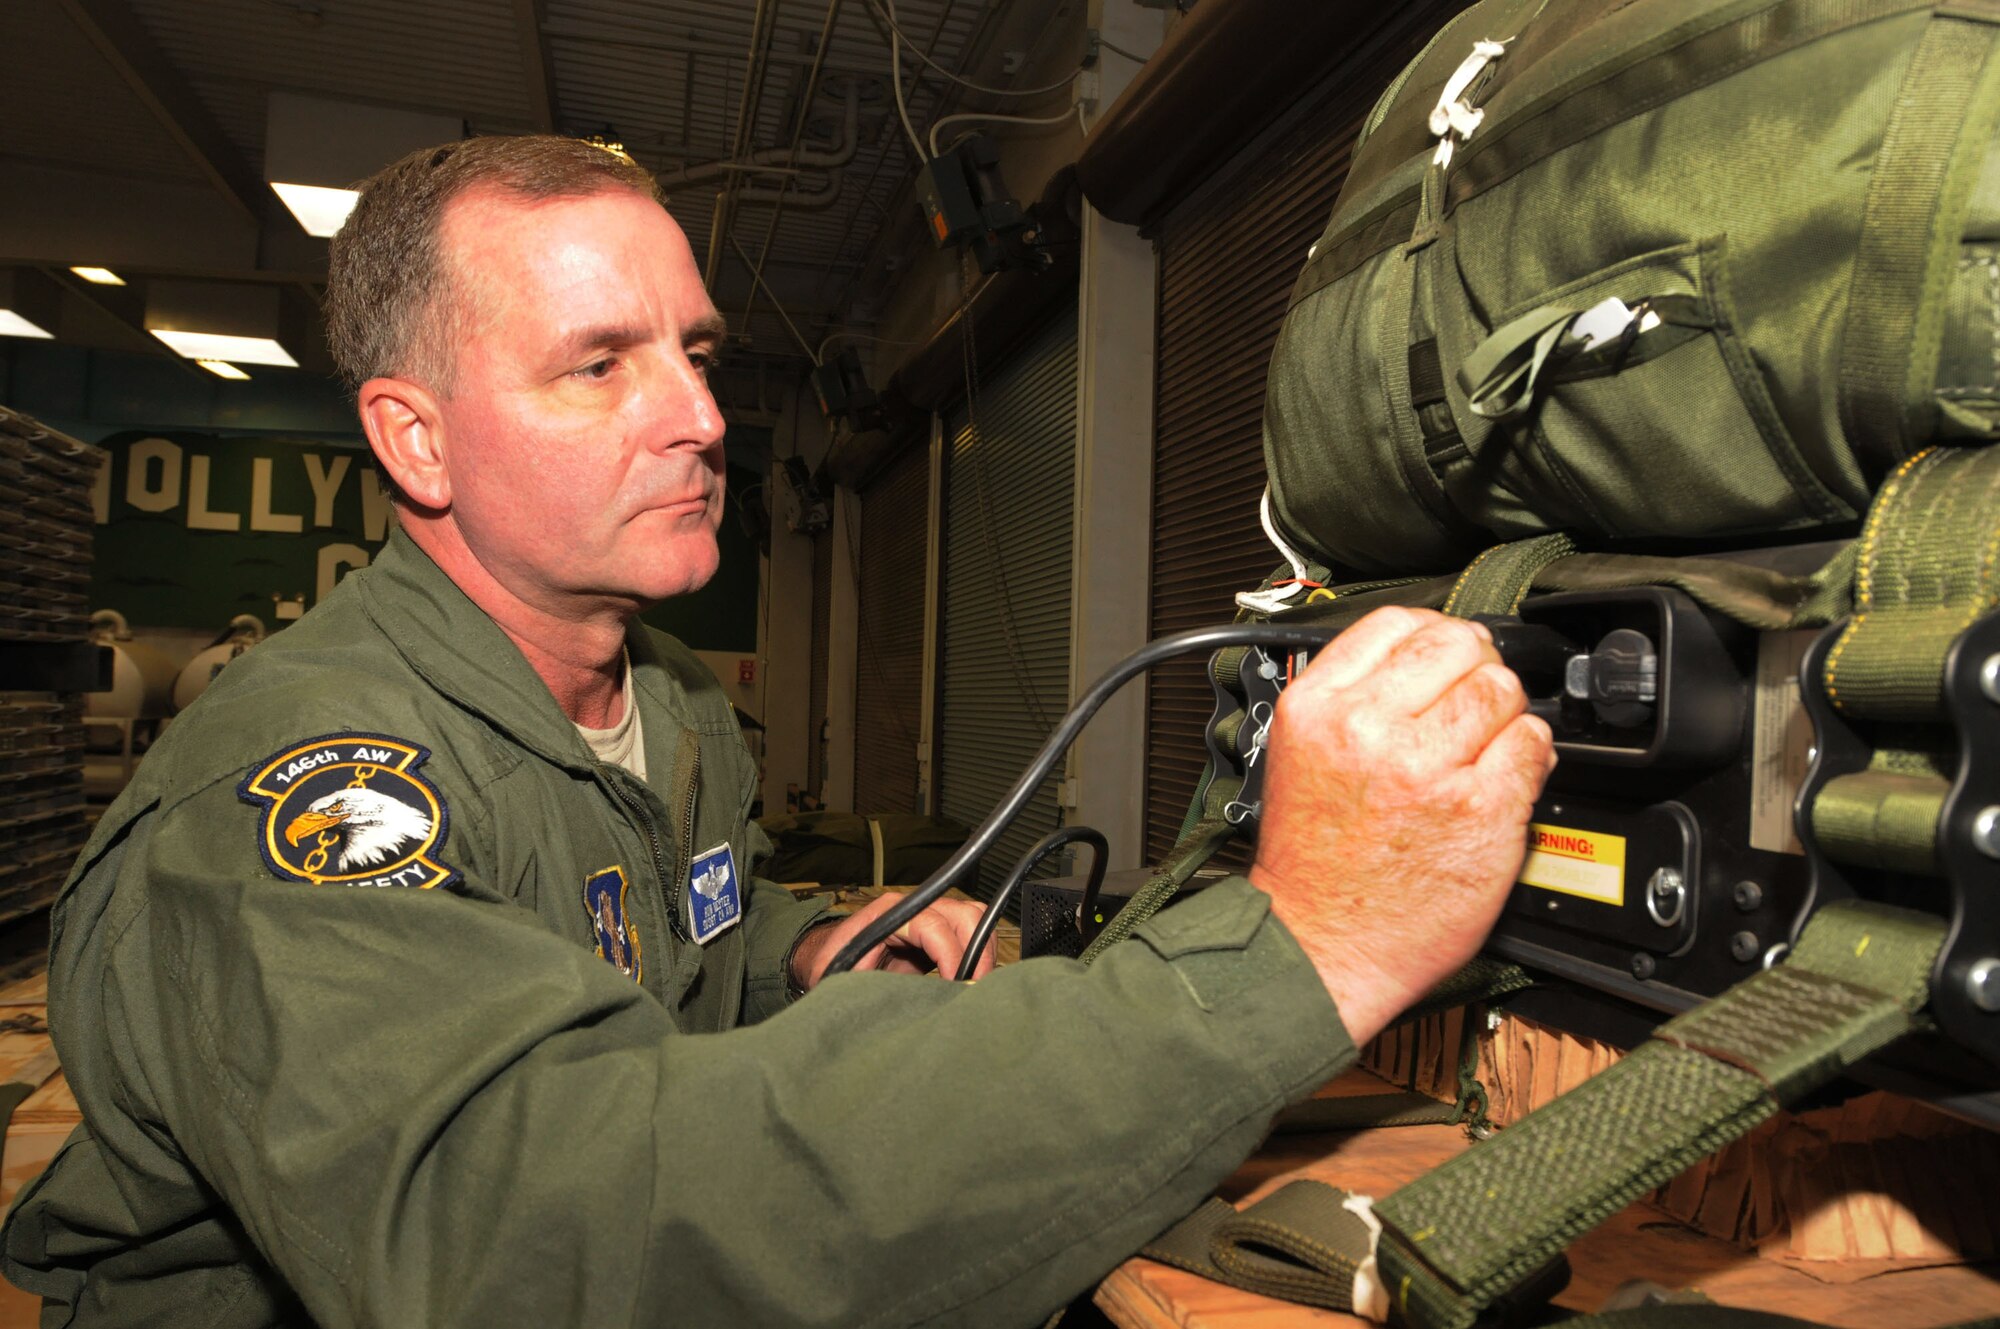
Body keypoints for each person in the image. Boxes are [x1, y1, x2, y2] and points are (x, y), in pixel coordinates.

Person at [0, 136, 1554, 1327]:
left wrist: (804, 946)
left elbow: (659, 945)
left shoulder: (665, 702)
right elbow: (551, 1234)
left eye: (695, 352)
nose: (695, 415)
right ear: (416, 438)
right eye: (599, 364)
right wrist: (1304, 945)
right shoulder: (310, 792)